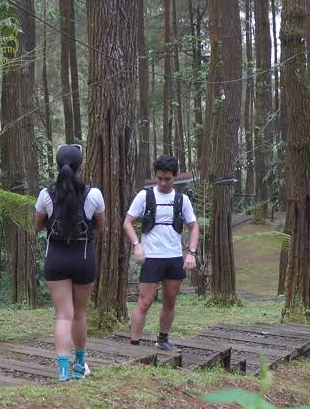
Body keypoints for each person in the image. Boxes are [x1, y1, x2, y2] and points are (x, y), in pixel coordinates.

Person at [35, 144, 106, 381]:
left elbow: (38, 223)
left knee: (63, 315)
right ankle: (80, 365)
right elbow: (101, 227)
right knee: (80, 314)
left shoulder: (46, 194)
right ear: (80, 166)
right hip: (83, 257)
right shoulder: (93, 194)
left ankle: (63, 370)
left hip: (55, 257)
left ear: (57, 165)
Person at [123, 155, 199, 352]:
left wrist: (191, 252)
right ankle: (134, 345)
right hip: (151, 257)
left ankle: (163, 340)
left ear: (175, 177)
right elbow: (128, 223)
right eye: (160, 178)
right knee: (144, 301)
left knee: (170, 300)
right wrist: (137, 245)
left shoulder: (182, 200)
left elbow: (194, 226)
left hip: (173, 257)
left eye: (168, 179)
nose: (163, 183)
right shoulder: (145, 196)